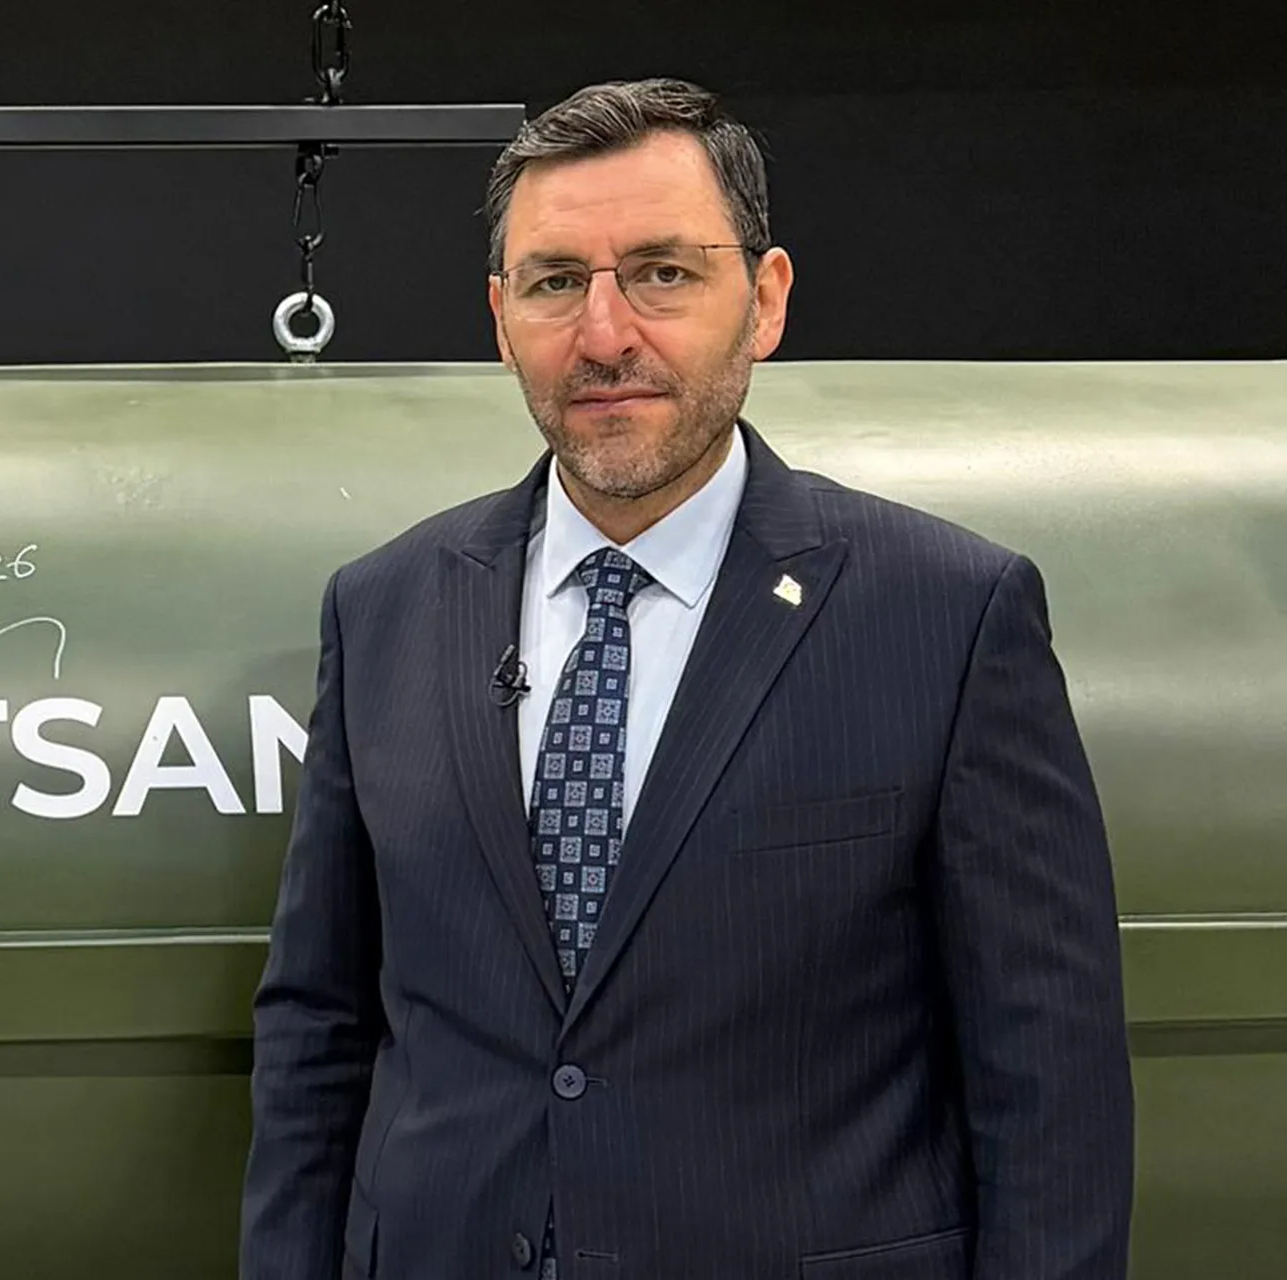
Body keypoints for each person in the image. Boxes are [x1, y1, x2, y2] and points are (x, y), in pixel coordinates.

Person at [238, 77, 1134, 1280]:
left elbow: (1050, 1079)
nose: (605, 335)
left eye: (662, 272)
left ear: (762, 301)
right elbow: (321, 1027)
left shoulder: (950, 616)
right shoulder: (386, 607)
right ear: (503, 318)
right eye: (558, 281)